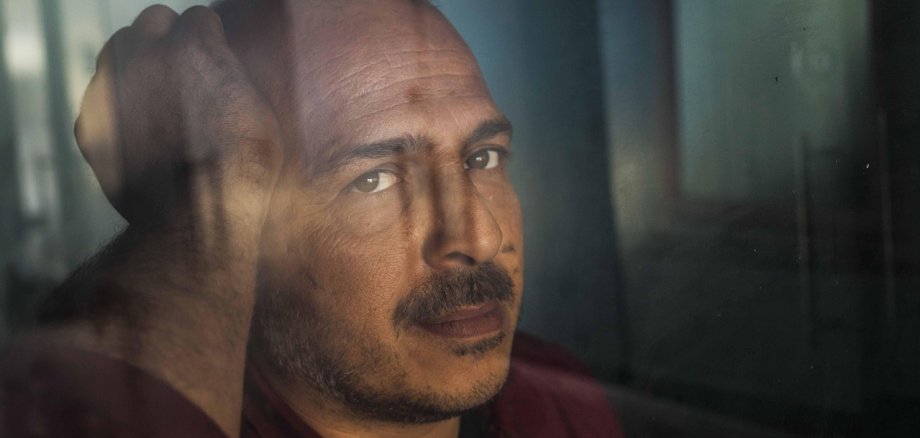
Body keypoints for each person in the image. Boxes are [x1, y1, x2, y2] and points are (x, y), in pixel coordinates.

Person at [0, 1, 622, 436]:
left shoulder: (554, 401)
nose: (480, 237)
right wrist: (202, 195)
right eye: (374, 179)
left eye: (482, 157)